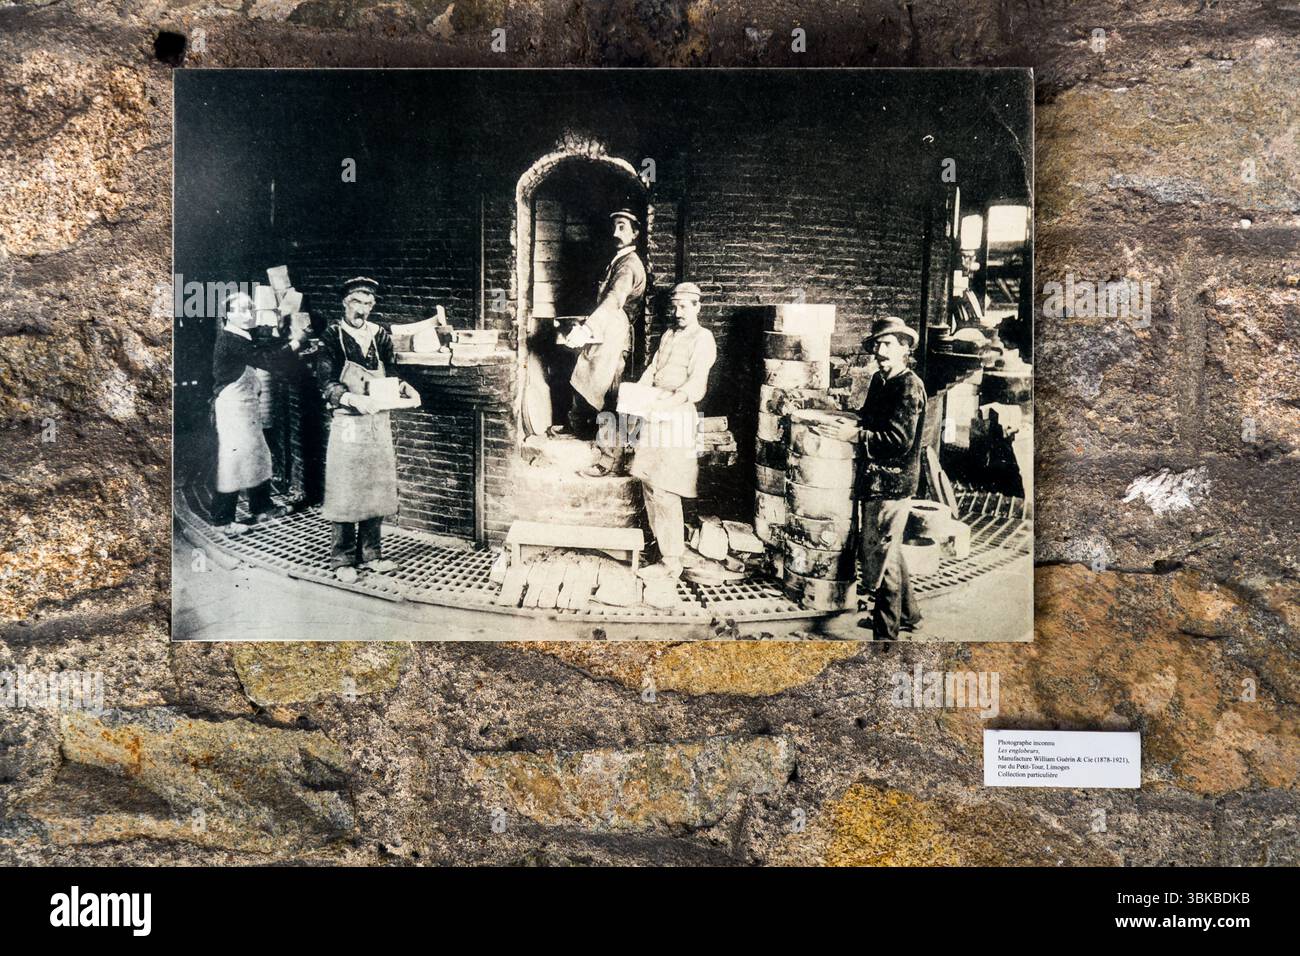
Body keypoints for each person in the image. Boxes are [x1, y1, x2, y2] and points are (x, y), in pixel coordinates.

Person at [813, 316, 927, 640]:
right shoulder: (880, 380)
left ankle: (885, 637)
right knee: (889, 548)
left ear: (905, 349)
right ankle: (910, 615)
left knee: (883, 559)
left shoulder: (909, 386)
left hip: (893, 483)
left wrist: (856, 436)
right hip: (876, 481)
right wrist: (845, 416)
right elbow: (869, 418)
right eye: (877, 344)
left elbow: (898, 439)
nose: (879, 350)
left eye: (888, 344)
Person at [316, 276, 407, 580]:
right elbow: (326, 381)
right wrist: (351, 397)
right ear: (345, 303)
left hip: (377, 419)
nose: (363, 309)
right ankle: (342, 560)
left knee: (376, 486)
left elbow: (391, 371)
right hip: (348, 421)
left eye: (369, 304)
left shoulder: (379, 335)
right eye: (357, 302)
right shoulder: (332, 336)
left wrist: (401, 388)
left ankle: (372, 555)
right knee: (346, 488)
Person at [629, 282, 717, 580]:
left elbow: (696, 385)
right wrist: (637, 394)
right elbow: (653, 369)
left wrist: (668, 404)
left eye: (685, 306)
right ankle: (664, 553)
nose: (678, 312)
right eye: (675, 306)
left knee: (666, 489)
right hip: (656, 410)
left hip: (678, 414)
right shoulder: (668, 335)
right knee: (650, 484)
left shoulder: (703, 339)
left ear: (697, 307)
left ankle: (671, 562)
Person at [551, 208, 647, 476]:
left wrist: (588, 327)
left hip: (615, 330)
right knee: (586, 376)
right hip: (607, 328)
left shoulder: (628, 265)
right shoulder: (617, 261)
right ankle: (578, 427)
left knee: (611, 394)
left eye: (623, 227)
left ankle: (608, 459)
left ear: (636, 232)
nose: (616, 233)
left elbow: (614, 301)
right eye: (614, 227)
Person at [208, 291, 303, 535]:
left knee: (259, 456)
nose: (247, 314)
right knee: (233, 462)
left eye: (249, 309)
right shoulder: (231, 339)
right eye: (240, 310)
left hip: (246, 406)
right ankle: (222, 521)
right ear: (228, 314)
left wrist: (280, 331)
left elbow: (261, 344)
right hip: (233, 408)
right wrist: (295, 342)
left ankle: (262, 507)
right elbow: (266, 360)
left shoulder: (241, 335)